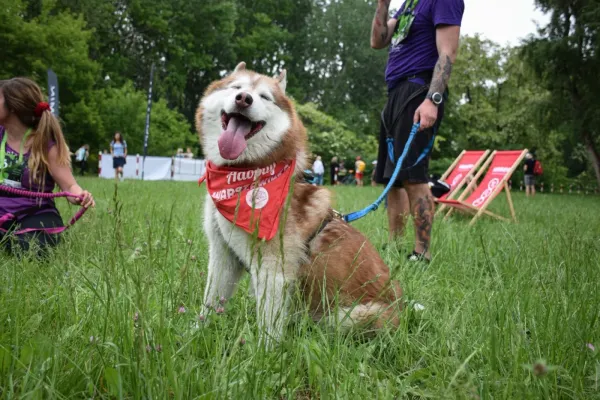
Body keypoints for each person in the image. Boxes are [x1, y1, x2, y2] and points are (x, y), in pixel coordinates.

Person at [371, 0, 464, 263]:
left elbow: (448, 53)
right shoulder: (408, 5)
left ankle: (422, 253)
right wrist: (382, 5)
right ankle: (394, 247)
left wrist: (432, 99)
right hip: (395, 94)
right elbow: (378, 41)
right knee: (392, 179)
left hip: (420, 90)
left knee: (413, 176)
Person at [0, 77, 95, 257]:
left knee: (35, 248)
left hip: (36, 213)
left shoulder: (46, 144)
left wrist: (80, 195)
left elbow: (68, 186)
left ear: (12, 107)